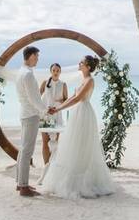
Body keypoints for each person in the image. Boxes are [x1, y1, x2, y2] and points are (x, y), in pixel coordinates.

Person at [41, 55, 117, 200]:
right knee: (73, 144)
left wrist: (58, 109)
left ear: (88, 67)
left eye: (82, 62)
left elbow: (77, 99)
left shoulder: (90, 80)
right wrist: (58, 109)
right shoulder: (83, 80)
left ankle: (85, 180)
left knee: (82, 144)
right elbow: (71, 98)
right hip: (77, 113)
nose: (79, 63)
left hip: (84, 113)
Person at [15, 45, 48, 197]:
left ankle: (20, 182)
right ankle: (23, 186)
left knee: (23, 149)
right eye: (37, 56)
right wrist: (46, 110)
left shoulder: (21, 72)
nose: (38, 59)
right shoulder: (27, 74)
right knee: (27, 151)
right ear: (31, 56)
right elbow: (34, 99)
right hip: (30, 115)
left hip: (25, 113)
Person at [39, 62, 68, 164]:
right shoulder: (45, 83)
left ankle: (54, 166)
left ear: (60, 72)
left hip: (57, 115)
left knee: (56, 142)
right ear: (50, 71)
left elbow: (66, 100)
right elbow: (38, 99)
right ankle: (46, 166)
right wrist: (45, 109)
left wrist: (60, 103)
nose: (55, 72)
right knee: (45, 142)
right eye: (54, 70)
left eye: (57, 70)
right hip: (45, 115)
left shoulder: (63, 84)